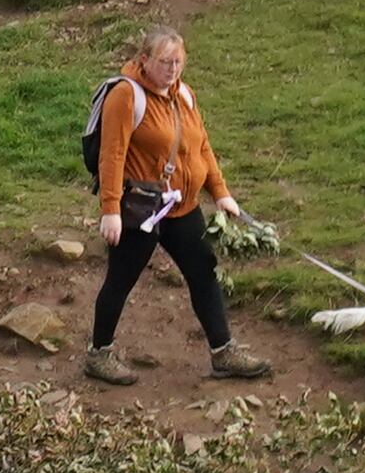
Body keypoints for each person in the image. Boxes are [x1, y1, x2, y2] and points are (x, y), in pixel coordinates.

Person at [87, 25, 275, 385]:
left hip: (183, 205)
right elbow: (112, 154)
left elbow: (201, 146)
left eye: (178, 61)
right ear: (144, 60)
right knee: (121, 279)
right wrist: (110, 209)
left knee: (203, 270)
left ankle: (223, 352)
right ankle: (99, 354)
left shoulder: (184, 95)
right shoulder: (125, 97)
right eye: (164, 61)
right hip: (140, 209)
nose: (172, 69)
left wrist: (221, 192)